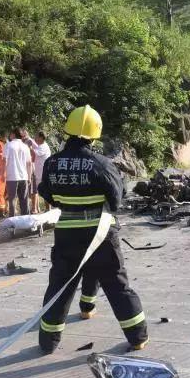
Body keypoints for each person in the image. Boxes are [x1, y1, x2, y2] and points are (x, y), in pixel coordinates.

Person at [36, 105, 148, 354]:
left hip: (66, 233)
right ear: (94, 134)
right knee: (117, 285)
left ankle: (48, 342)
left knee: (60, 286)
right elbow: (116, 201)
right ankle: (137, 337)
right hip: (100, 235)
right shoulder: (101, 163)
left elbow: (47, 193)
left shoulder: (53, 163)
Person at [3, 128, 32, 217]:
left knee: (12, 199)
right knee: (24, 200)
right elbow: (29, 163)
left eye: (11, 134)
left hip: (12, 176)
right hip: (24, 176)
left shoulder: (8, 145)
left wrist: (2, 174)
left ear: (13, 134)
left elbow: (5, 161)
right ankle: (26, 221)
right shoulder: (25, 146)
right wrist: (29, 177)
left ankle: (12, 223)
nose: (10, 136)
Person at [24, 131, 52, 214]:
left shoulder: (44, 146)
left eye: (36, 136)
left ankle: (48, 209)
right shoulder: (40, 146)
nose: (35, 138)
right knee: (42, 191)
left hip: (44, 173)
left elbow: (34, 152)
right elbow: (35, 145)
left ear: (41, 138)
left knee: (45, 191)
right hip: (39, 173)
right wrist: (28, 138)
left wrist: (29, 147)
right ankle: (44, 209)